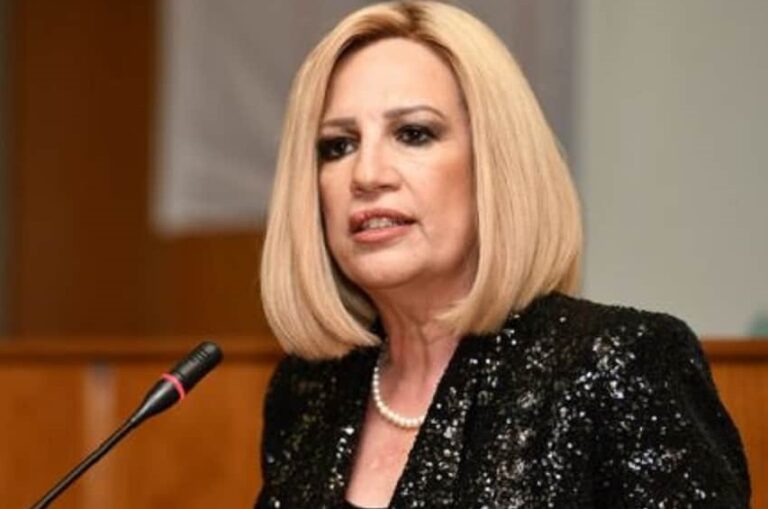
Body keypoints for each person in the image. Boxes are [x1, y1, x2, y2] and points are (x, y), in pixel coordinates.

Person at [256, 2, 750, 508]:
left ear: (495, 163)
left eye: (413, 134)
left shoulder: (618, 364)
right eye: (338, 146)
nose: (366, 175)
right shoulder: (308, 391)